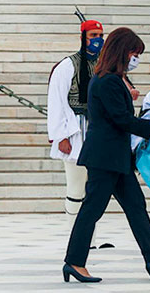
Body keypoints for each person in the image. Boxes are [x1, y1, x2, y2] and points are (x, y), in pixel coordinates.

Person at [63, 27, 150, 283]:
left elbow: (119, 116)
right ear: (122, 51)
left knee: (136, 207)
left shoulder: (112, 80)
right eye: (134, 53)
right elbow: (120, 119)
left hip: (116, 158)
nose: (135, 58)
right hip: (104, 158)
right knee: (92, 209)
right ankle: (74, 262)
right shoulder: (107, 81)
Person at [47, 18, 112, 249]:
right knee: (76, 188)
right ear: (83, 37)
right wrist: (60, 136)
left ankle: (90, 240)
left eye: (100, 36)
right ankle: (75, 240)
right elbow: (56, 101)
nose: (98, 40)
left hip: (98, 133)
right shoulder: (67, 66)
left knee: (93, 191)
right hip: (76, 132)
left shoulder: (105, 65)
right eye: (93, 36)